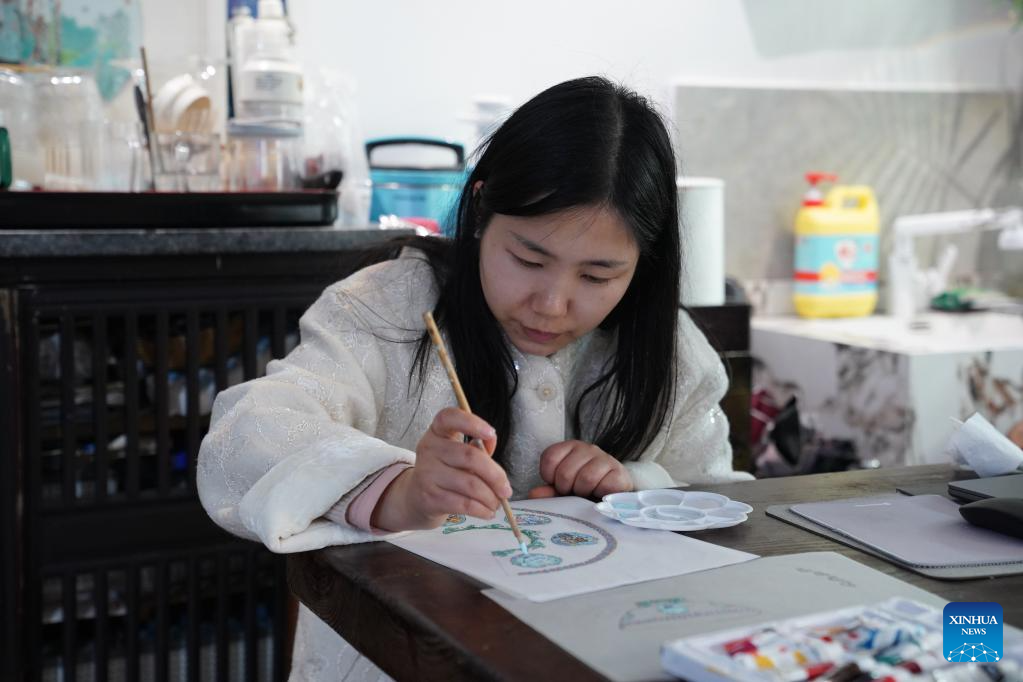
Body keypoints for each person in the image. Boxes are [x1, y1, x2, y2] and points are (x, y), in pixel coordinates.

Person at [197, 75, 753, 680]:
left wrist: (634, 488)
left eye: (598, 277)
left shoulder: (671, 353)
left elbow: (726, 508)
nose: (552, 305)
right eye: (528, 259)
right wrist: (395, 491)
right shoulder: (387, 310)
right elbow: (246, 435)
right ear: (483, 208)